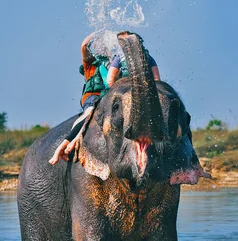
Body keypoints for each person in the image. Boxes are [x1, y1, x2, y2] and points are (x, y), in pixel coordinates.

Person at [48, 31, 160, 165]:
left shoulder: (115, 62)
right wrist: (98, 32)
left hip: (109, 99)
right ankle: (62, 147)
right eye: (103, 46)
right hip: (93, 98)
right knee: (88, 114)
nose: (107, 49)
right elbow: (84, 46)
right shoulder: (92, 63)